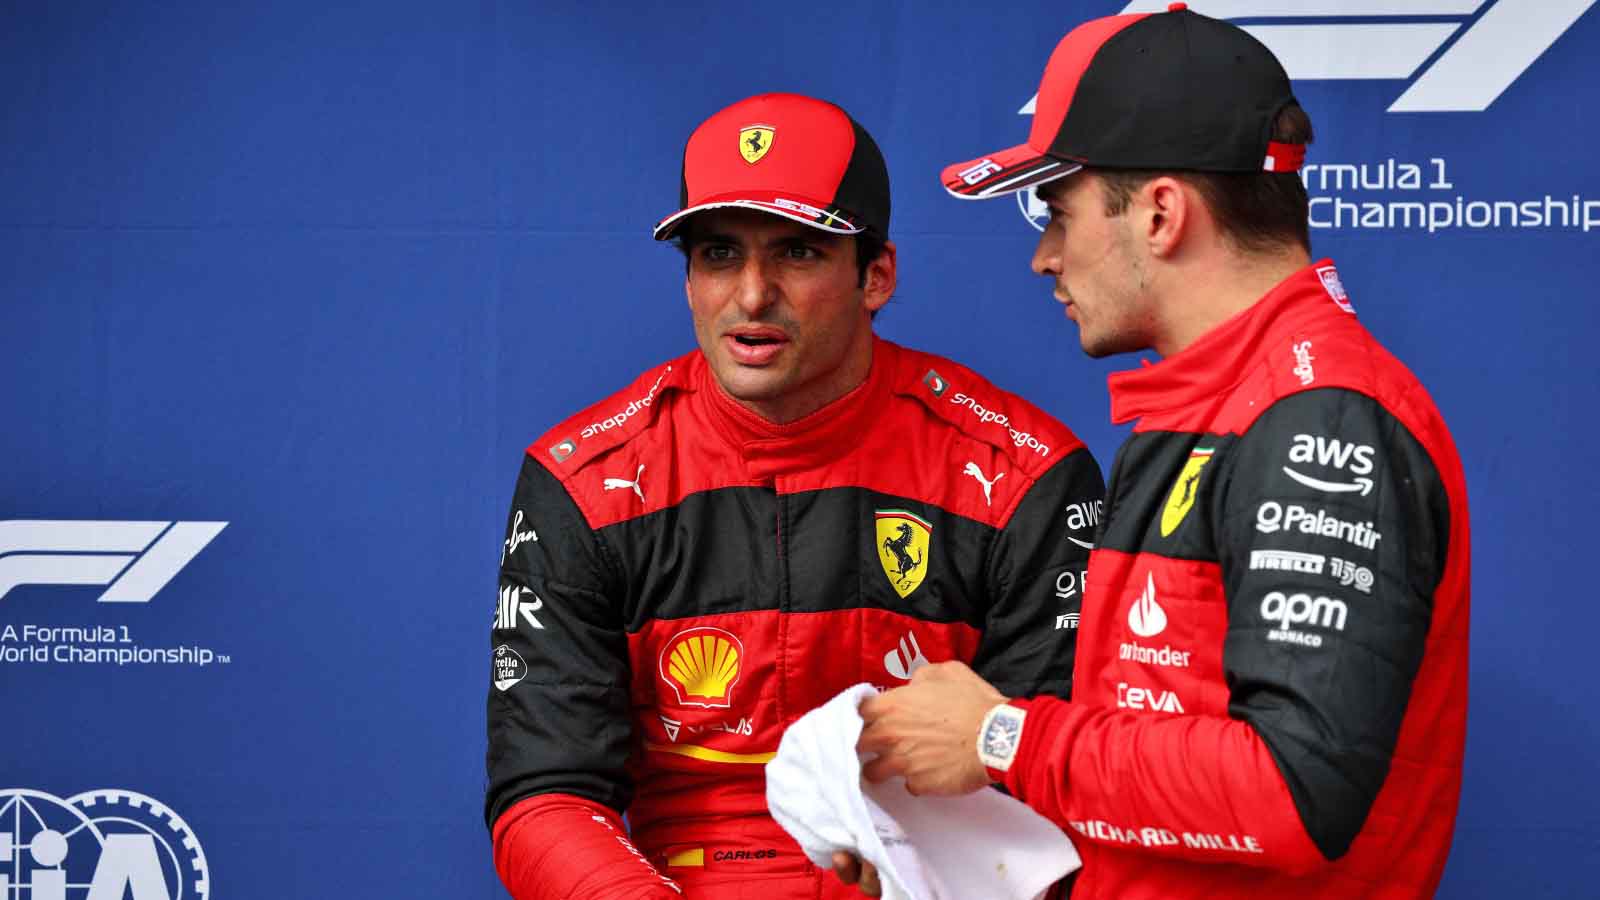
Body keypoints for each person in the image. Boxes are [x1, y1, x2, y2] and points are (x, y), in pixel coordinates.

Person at [850, 7, 1471, 900]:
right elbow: (1145, 780)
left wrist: (1001, 738)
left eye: (1057, 212)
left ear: (1161, 213)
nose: (1043, 256)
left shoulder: (1320, 420)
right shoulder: (1193, 411)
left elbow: (1292, 799)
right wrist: (932, 850)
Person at [485, 91, 1104, 900]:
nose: (750, 295)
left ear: (875, 274)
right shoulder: (583, 481)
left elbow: (1051, 785)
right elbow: (546, 793)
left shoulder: (1024, 475)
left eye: (797, 253)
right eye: (717, 256)